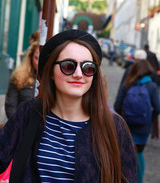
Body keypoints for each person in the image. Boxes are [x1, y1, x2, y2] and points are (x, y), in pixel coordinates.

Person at [0, 30, 137, 183]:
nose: (79, 74)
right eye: (68, 65)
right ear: (51, 71)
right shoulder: (28, 113)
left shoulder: (114, 127)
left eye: (88, 67)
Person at [114, 59, 160, 183]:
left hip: (126, 126)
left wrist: (123, 119)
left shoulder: (127, 84)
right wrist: (149, 119)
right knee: (139, 154)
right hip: (143, 127)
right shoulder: (152, 87)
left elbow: (117, 105)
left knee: (124, 153)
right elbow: (158, 107)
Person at [5, 41, 39, 119]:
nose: (38, 62)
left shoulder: (53, 79)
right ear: (31, 57)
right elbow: (10, 105)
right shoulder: (19, 76)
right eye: (36, 58)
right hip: (21, 124)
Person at [144, 44, 160, 139]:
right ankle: (154, 133)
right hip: (153, 82)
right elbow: (157, 65)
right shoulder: (153, 54)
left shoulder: (144, 55)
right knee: (154, 106)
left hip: (146, 82)